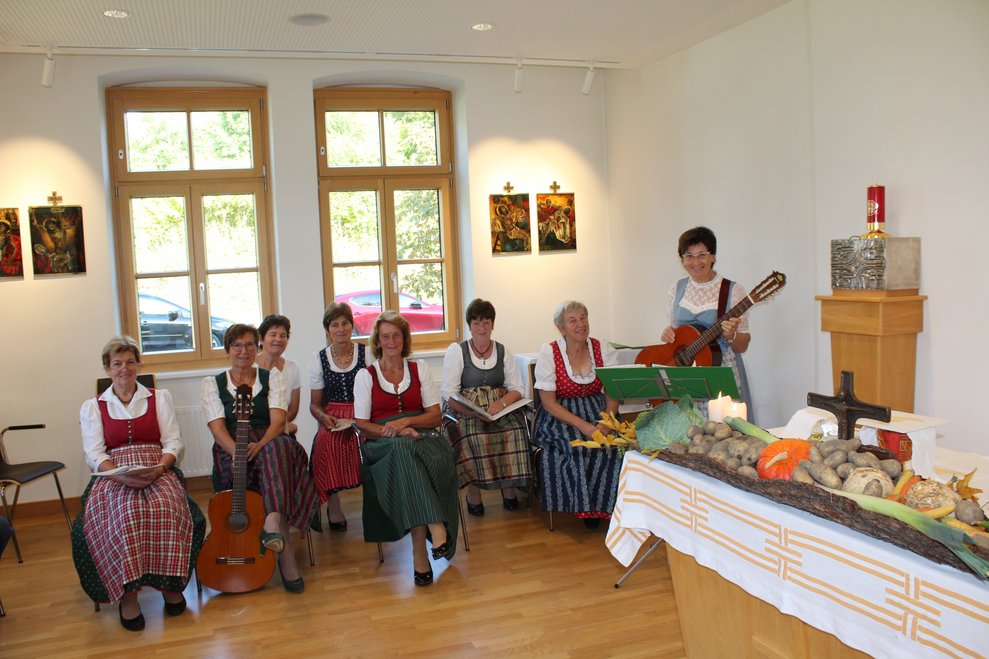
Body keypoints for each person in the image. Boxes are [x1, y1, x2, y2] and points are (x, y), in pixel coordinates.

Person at [75, 336, 204, 631]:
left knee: (166, 507)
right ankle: (128, 594)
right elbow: (94, 452)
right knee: (125, 514)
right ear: (107, 369)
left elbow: (173, 441)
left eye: (130, 362)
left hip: (155, 466)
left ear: (138, 365)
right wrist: (119, 474)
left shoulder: (159, 397)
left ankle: (170, 584)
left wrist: (159, 468)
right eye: (117, 363)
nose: (124, 369)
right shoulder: (93, 406)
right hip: (113, 472)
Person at [201, 324, 318, 593]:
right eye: (237, 345)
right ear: (228, 349)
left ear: (258, 347)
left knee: (278, 450)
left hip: (268, 437)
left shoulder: (271, 378)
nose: (244, 351)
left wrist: (261, 443)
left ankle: (273, 522)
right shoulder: (213, 384)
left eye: (250, 345)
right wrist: (238, 451)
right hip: (231, 444)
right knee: (274, 461)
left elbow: (279, 421)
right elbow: (217, 428)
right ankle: (281, 548)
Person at [353, 311, 459, 587]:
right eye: (385, 336)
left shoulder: (419, 368)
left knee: (419, 457)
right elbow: (362, 424)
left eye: (396, 335)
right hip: (381, 443)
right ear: (377, 341)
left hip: (422, 435)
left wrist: (407, 421)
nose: (391, 341)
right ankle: (433, 531)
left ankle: (420, 549)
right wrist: (397, 430)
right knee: (402, 451)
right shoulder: (366, 376)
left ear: (404, 339)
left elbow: (435, 416)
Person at [532, 301, 620, 528]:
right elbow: (548, 402)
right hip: (560, 415)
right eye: (573, 320)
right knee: (580, 448)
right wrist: (584, 426)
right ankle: (585, 508)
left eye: (583, 318)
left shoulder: (603, 349)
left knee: (615, 447)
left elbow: (613, 393)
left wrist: (607, 422)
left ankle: (607, 507)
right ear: (561, 328)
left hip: (598, 411)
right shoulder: (550, 352)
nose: (581, 324)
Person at [441, 298, 531, 516]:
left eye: (486, 322)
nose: (481, 328)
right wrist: (472, 411)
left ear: (492, 324)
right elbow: (448, 393)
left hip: (498, 409)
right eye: (476, 323)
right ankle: (474, 495)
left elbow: (517, 388)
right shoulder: (458, 351)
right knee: (470, 435)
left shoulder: (503, 351)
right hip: (467, 411)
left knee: (515, 431)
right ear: (469, 326)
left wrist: (501, 403)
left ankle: (508, 490)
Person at [660, 226, 753, 418]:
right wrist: (668, 333)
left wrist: (732, 335)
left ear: (713, 256)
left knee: (720, 436)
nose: (695, 262)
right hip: (685, 376)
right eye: (688, 256)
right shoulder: (676, 289)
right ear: (682, 260)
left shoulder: (732, 291)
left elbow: (743, 345)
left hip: (719, 372)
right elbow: (679, 335)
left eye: (701, 254)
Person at [308, 302, 373, 530]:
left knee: (370, 443)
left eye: (345, 323)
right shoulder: (319, 359)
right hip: (333, 415)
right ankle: (333, 506)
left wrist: (365, 418)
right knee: (325, 444)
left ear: (352, 325)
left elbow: (376, 392)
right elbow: (314, 405)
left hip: (363, 413)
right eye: (334, 324)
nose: (341, 328)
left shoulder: (367, 353)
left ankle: (377, 505)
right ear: (328, 330)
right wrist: (324, 417)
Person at [255, 314, 301, 435]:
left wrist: (281, 426)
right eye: (273, 334)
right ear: (261, 339)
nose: (278, 339)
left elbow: (293, 410)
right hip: (255, 432)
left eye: (283, 335)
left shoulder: (292, 367)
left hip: (281, 430)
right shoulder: (250, 367)